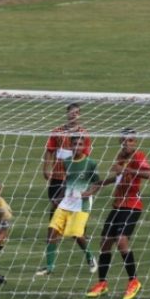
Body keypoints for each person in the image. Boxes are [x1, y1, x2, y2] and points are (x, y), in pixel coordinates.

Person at [82, 128, 150, 299]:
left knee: (121, 240)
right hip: (118, 204)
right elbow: (119, 178)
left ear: (135, 142)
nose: (127, 144)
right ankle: (102, 283)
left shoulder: (138, 156)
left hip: (132, 205)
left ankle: (134, 280)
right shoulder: (120, 157)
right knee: (105, 242)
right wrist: (100, 184)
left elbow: (149, 174)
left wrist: (125, 170)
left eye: (130, 141)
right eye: (123, 141)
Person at [42, 103, 96, 271]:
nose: (73, 115)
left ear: (80, 115)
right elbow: (50, 150)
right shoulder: (57, 131)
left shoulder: (84, 135)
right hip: (58, 179)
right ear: (67, 114)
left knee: (71, 227)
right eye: (71, 113)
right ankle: (49, 264)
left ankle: (88, 252)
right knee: (55, 217)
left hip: (73, 184)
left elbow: (85, 161)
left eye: (76, 113)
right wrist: (46, 168)